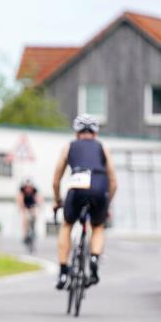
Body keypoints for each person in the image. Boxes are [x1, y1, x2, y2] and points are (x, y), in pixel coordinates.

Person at [52, 114, 118, 289]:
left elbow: (56, 179)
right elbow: (113, 181)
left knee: (67, 225)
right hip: (99, 188)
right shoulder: (103, 148)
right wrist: (107, 203)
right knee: (97, 226)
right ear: (95, 134)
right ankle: (95, 258)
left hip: (77, 188)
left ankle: (64, 271)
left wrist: (58, 200)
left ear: (76, 133)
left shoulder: (69, 147)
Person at [17, 178, 39, 248]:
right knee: (25, 218)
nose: (28, 189)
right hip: (25, 206)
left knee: (35, 215)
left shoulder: (34, 191)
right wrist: (21, 207)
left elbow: (38, 198)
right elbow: (20, 199)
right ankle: (25, 234)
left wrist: (38, 205)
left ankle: (33, 228)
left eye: (30, 187)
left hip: (32, 205)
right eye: (27, 187)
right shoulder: (22, 191)